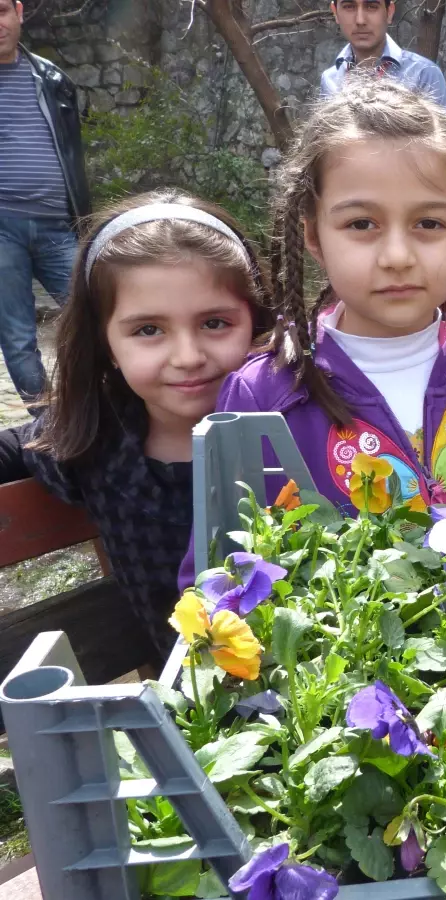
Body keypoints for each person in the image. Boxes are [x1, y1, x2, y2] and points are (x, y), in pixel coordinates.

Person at [216, 78, 446, 519]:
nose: (398, 256)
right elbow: (221, 572)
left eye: (429, 223)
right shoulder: (262, 397)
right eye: (361, 224)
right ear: (313, 234)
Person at [0, 191, 273, 662]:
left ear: (254, 321)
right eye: (148, 330)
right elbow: (19, 447)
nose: (187, 356)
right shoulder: (98, 438)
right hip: (193, 713)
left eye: (214, 322)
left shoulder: (294, 422)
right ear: (106, 343)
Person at [0, 0, 91, 404]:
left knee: (98, 314)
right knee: (18, 335)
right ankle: (48, 427)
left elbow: (73, 155)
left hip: (59, 224)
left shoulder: (52, 78)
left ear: (19, 12)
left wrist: (82, 219)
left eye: (1, 11)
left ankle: (100, 407)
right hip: (2, 228)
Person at [320, 0, 446, 108]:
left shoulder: (423, 75)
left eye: (371, 6)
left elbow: (443, 138)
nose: (360, 20)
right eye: (349, 7)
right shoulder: (330, 80)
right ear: (335, 12)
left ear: (389, 12)